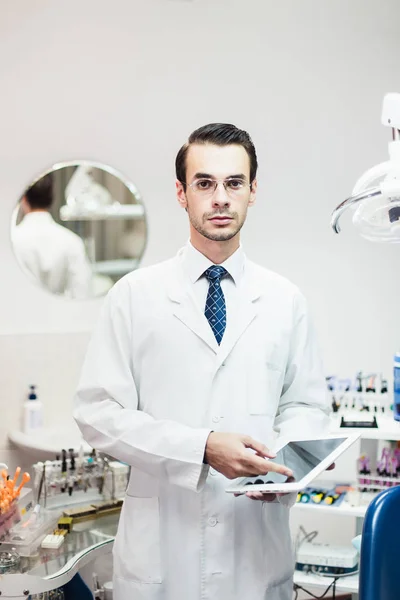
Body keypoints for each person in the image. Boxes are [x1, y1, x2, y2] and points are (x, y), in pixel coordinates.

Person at [74, 123, 331, 600]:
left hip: (254, 546)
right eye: (205, 183)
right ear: (181, 193)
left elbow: (307, 408)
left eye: (234, 183)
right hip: (161, 556)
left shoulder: (284, 300)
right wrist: (202, 447)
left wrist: (280, 467)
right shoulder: (134, 296)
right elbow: (97, 415)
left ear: (253, 191)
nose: (220, 198)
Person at [12, 174, 92, 299]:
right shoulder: (72, 241)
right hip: (60, 315)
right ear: (51, 198)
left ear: (24, 199)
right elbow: (82, 293)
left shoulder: (12, 241)